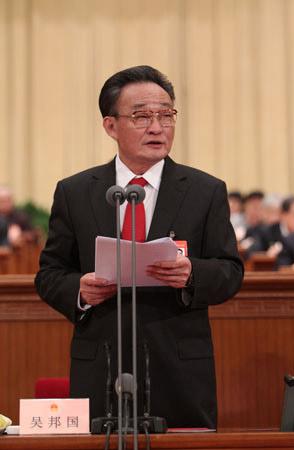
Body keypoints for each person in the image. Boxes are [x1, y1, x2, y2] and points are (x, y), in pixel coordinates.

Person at [35, 65, 244, 429]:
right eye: (142, 116)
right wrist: (80, 291)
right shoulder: (75, 192)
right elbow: (50, 273)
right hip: (101, 364)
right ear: (110, 126)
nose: (157, 127)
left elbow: (230, 271)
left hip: (179, 368)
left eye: (166, 115)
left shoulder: (205, 190)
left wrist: (192, 273)